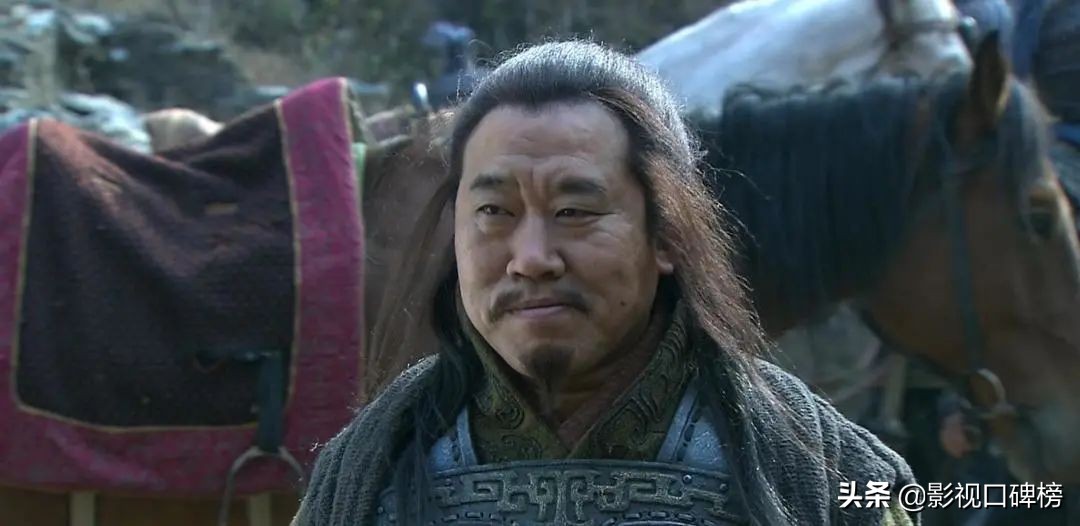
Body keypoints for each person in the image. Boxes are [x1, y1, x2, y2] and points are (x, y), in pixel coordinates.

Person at [291, 40, 917, 526]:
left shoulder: (824, 469)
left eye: (574, 211)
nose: (531, 258)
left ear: (667, 235)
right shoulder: (367, 470)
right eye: (494, 212)